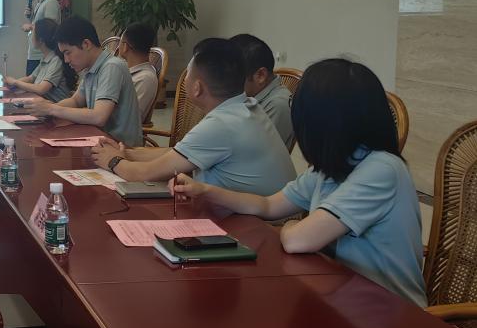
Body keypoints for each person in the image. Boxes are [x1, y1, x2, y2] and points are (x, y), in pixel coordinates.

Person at [172, 58, 425, 306]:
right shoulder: (335, 164)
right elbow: (268, 205)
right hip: (338, 295)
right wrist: (205, 190)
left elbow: (298, 241)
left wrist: (292, 225)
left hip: (391, 312)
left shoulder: (381, 169)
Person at [91, 38, 295, 194]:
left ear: (197, 88)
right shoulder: (244, 107)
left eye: (188, 73)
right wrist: (128, 153)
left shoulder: (222, 124)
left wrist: (113, 160)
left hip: (257, 226)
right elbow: (178, 154)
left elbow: (145, 174)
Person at [26, 16, 142, 146]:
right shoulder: (90, 68)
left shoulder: (112, 67)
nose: (66, 60)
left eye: (68, 52)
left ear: (86, 44)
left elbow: (99, 117)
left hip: (122, 148)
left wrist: (52, 109)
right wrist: (46, 109)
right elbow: (76, 100)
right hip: (101, 141)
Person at [231, 33, 292, 147]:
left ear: (260, 75)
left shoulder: (278, 106)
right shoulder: (250, 97)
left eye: (232, 77)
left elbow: (251, 152)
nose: (225, 84)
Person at [2, 18, 75, 102]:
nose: (30, 36)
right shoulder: (45, 58)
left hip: (56, 107)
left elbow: (41, 89)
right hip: (44, 104)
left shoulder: (56, 60)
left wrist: (15, 82)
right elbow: (31, 78)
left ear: (41, 40)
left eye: (32, 33)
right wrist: (11, 84)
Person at [22, 0, 61, 75]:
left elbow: (49, 29)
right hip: (35, 53)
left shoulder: (51, 3)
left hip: (41, 55)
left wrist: (30, 26)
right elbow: (40, 24)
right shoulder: (41, 2)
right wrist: (30, 17)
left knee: (34, 84)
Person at [117, 23, 159, 120]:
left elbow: (129, 119)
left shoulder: (145, 79)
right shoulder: (127, 71)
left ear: (125, 46)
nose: (117, 47)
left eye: (120, 42)